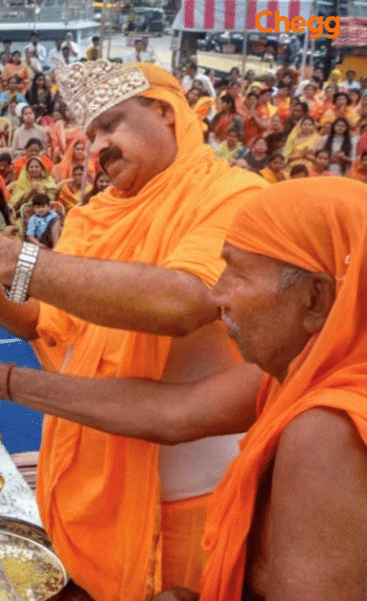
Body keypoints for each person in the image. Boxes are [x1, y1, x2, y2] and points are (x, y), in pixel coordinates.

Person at [0, 61, 268, 601]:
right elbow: (43, 324)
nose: (96, 147)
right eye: (90, 133)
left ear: (165, 113)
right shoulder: (95, 216)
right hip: (85, 492)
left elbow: (184, 299)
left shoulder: (236, 195)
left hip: (191, 512)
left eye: (111, 124)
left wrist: (3, 257)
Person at [149, 181, 367, 601]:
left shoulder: (327, 433)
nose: (218, 295)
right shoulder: (296, 377)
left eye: (236, 272)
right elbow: (175, 411)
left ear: (316, 300)